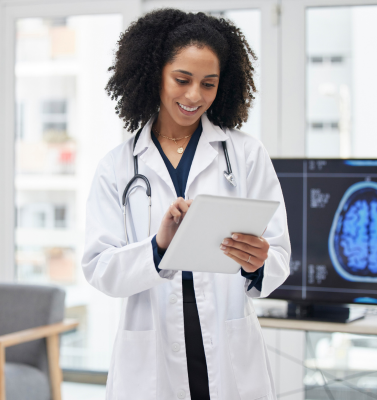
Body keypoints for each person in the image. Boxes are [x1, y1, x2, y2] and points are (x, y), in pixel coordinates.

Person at [82, 8, 290, 400]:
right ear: (155, 73)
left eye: (208, 84)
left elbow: (278, 254)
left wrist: (259, 263)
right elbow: (100, 268)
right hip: (152, 351)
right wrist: (158, 248)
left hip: (227, 347)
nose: (194, 96)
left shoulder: (245, 154)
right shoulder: (117, 166)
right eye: (182, 79)